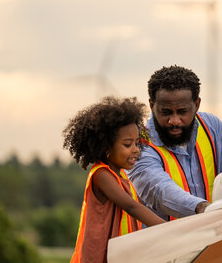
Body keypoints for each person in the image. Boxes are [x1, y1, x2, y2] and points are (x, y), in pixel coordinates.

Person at [128, 65, 222, 220]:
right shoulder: (138, 145)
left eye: (182, 112)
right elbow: (160, 190)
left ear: (196, 105)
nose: (174, 121)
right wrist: (203, 208)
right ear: (152, 105)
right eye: (166, 112)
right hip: (166, 242)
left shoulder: (212, 126)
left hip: (217, 235)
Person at [63, 96, 165, 263]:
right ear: (105, 147)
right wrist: (171, 229)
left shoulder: (122, 177)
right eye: (127, 144)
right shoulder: (101, 175)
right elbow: (132, 207)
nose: (136, 150)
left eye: (136, 143)